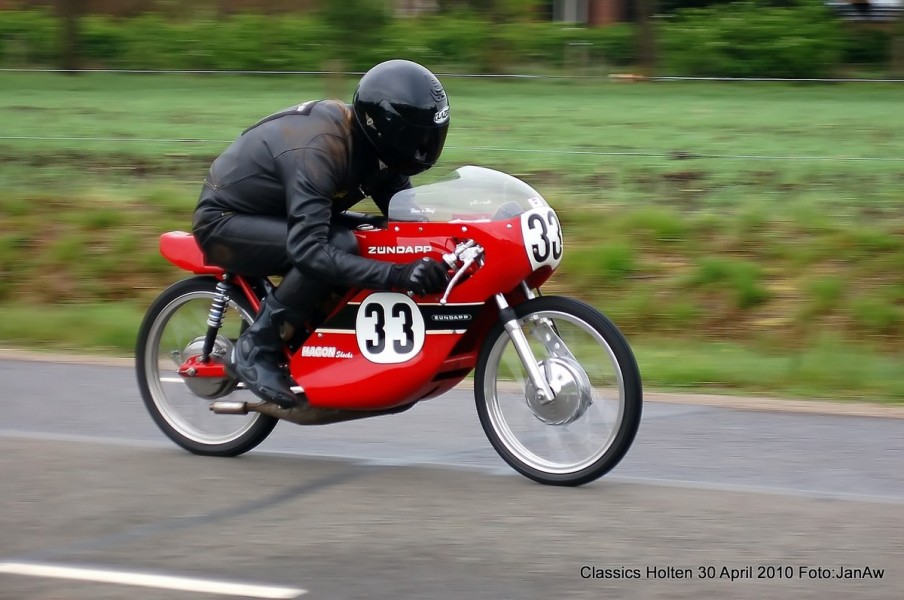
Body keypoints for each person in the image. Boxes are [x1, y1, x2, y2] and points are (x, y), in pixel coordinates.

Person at [192, 59, 451, 409]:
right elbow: (309, 251)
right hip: (225, 219)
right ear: (388, 129)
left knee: (371, 233)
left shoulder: (381, 155)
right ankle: (258, 347)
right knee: (338, 245)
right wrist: (398, 275)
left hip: (279, 214)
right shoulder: (320, 150)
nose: (425, 145)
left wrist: (451, 246)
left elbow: (408, 226)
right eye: (417, 136)